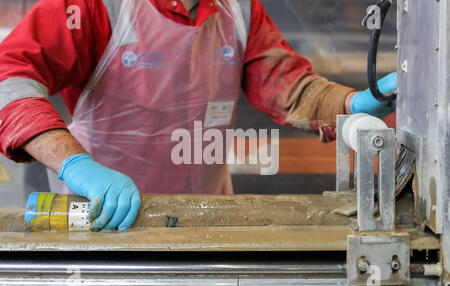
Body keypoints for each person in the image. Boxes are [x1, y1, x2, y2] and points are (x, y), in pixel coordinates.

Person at [0, 0, 397, 232]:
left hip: (205, 223)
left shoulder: (237, 9)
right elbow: (9, 78)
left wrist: (351, 104)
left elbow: (286, 85)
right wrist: (76, 164)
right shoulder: (93, 7)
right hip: (102, 220)